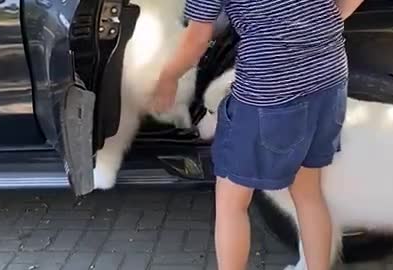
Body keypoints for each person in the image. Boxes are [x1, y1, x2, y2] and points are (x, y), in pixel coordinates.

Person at [150, 0, 364, 269]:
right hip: (329, 77)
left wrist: (167, 78)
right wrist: (324, 24)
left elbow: (197, 37)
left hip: (271, 91)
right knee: (308, 192)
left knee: (231, 202)